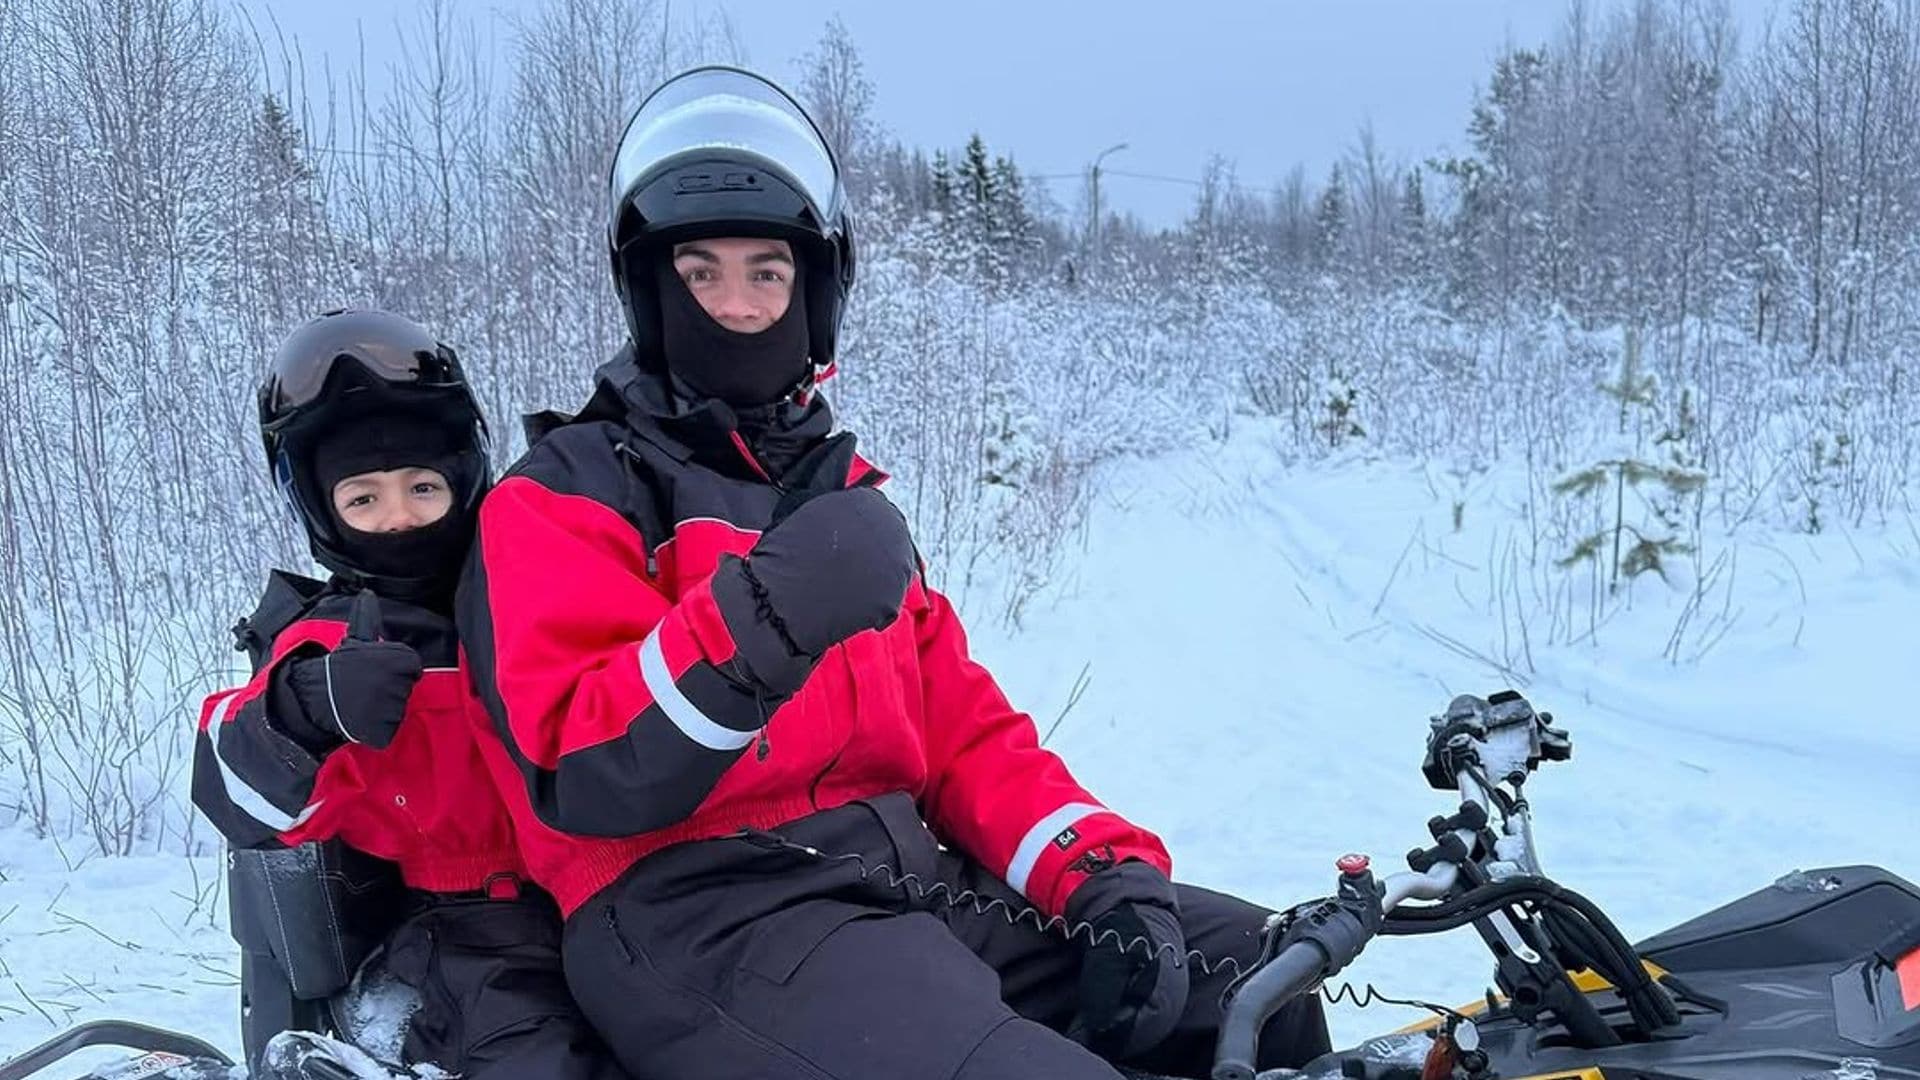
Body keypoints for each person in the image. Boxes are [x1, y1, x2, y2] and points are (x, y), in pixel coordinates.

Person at [457, 66, 1331, 1079]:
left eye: (766, 273)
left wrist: (1101, 874)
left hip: (900, 883)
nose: (736, 305)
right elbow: (579, 763)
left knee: (1258, 984)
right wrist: (764, 619)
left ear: (815, 293)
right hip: (698, 914)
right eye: (701, 273)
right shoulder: (562, 496)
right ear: (651, 292)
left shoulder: (843, 502)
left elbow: (963, 735)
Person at [191, 309, 626, 1080]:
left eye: (423, 488)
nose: (398, 520)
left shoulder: (530, 590)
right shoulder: (327, 640)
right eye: (364, 500)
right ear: (323, 512)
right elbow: (234, 790)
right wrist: (307, 708)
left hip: (607, 888)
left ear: (465, 479)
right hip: (469, 925)